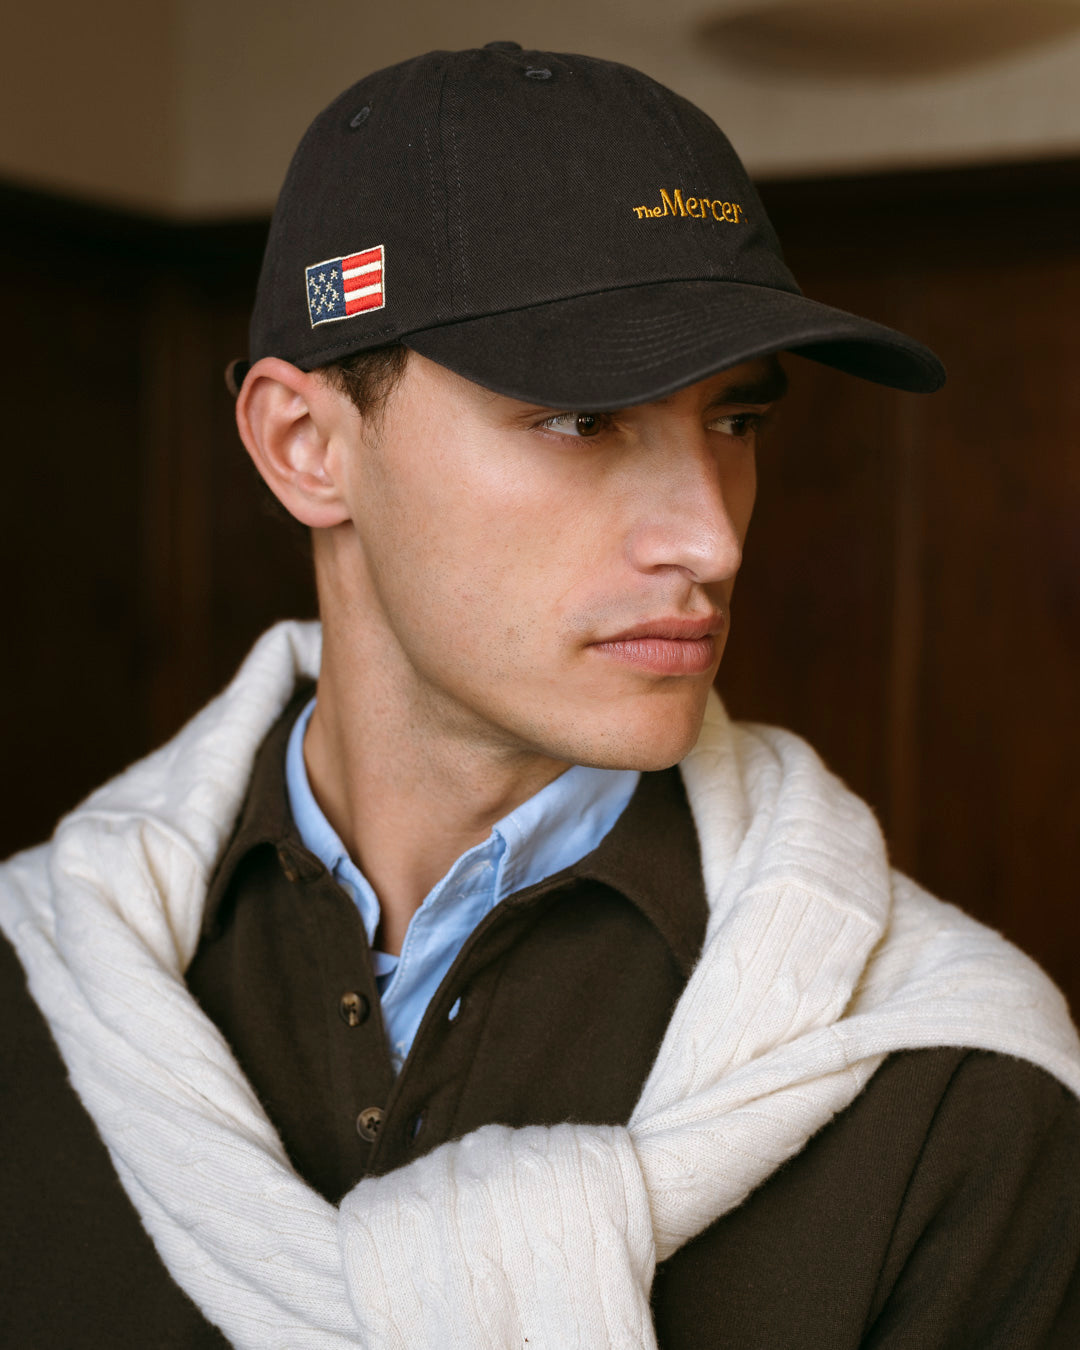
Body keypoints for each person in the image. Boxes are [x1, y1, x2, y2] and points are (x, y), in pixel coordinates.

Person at [2, 41, 1079, 1350]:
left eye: (737, 423)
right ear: (306, 446)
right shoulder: (37, 981)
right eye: (584, 418)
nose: (711, 539)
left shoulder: (954, 1085)